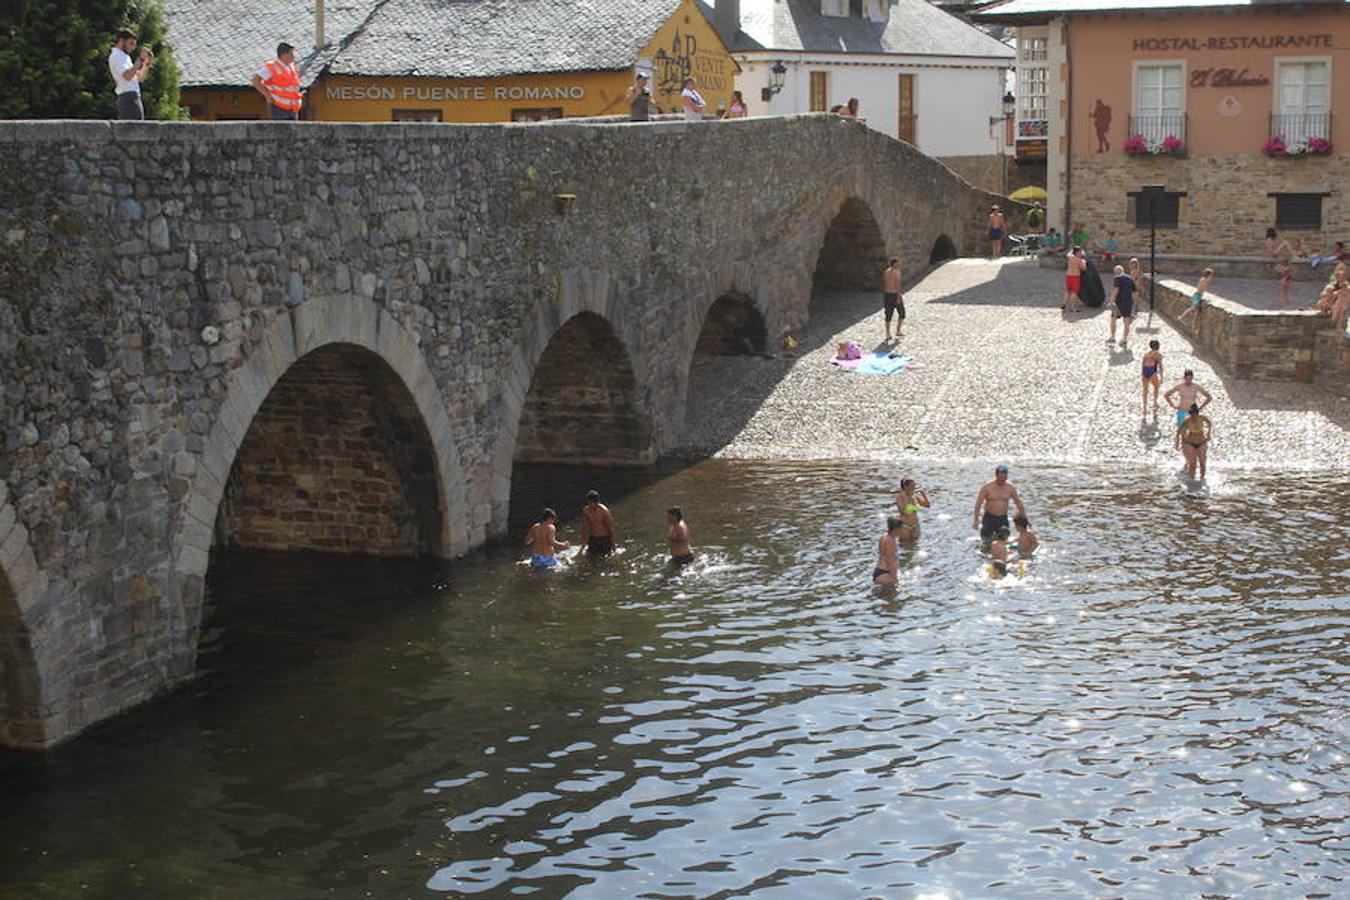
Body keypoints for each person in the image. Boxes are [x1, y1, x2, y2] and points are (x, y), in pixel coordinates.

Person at [108, 28, 154, 121]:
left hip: (133, 97)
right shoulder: (116, 56)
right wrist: (139, 60)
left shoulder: (125, 57)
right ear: (121, 41)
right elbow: (127, 76)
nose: (133, 47)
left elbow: (139, 78)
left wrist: (146, 64)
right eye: (131, 43)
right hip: (128, 98)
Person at [973, 464, 1027, 542]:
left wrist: (1025, 520)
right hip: (989, 518)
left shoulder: (1010, 488)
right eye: (1001, 477)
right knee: (986, 541)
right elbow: (978, 504)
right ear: (996, 475)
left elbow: (1019, 503)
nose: (1002, 479)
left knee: (1004, 541)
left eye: (1004, 477)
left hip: (1002, 518)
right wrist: (976, 519)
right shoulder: (987, 487)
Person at [251, 42, 303, 120]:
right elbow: (255, 80)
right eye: (291, 54)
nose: (293, 57)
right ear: (284, 55)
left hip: (293, 108)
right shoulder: (272, 66)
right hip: (278, 107)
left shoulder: (291, 67)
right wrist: (267, 95)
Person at [1164, 369, 1213, 441]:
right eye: (1187, 379)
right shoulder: (1179, 386)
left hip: (1193, 412)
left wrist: (1201, 407)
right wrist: (1173, 405)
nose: (1188, 381)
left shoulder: (1196, 386)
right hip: (1182, 411)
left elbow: (1209, 397)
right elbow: (1167, 395)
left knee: (1194, 432)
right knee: (1182, 432)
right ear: (1184, 378)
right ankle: (1184, 448)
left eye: (1190, 379)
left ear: (1192, 378)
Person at [1176, 403, 1212, 479]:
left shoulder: (1202, 418)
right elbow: (1179, 431)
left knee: (1202, 463)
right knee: (1192, 464)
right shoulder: (1187, 420)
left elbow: (1209, 423)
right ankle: (1191, 481)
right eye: (1191, 415)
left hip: (1201, 442)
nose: (1192, 417)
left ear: (1197, 414)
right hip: (1190, 443)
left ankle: (1202, 479)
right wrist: (1178, 441)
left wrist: (1208, 433)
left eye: (1194, 415)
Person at [579, 490, 616, 557]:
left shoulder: (604, 511)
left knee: (604, 558)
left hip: (604, 538)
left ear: (596, 502)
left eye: (591, 502)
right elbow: (585, 528)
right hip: (593, 538)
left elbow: (610, 528)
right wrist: (582, 547)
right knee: (591, 558)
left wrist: (613, 545)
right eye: (588, 502)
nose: (589, 504)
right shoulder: (586, 511)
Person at [1108, 263, 1136, 346]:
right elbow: (1134, 292)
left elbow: (1116, 290)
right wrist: (1133, 304)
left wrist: (1111, 301)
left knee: (1113, 319)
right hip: (1128, 302)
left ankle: (1113, 337)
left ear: (1116, 272)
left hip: (1118, 303)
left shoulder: (1117, 278)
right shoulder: (1130, 279)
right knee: (1126, 322)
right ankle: (1124, 339)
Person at [872, 516, 905, 586]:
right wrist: (894, 578)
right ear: (896, 529)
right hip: (885, 573)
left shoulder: (884, 536)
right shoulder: (890, 541)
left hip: (880, 571)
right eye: (901, 528)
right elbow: (890, 560)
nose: (902, 531)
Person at [882, 257, 904, 340]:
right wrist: (898, 297)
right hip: (895, 294)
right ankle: (898, 330)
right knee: (902, 313)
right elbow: (897, 285)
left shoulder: (886, 271)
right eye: (898, 263)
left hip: (887, 295)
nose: (899, 264)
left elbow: (885, 283)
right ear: (894, 264)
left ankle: (887, 333)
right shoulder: (897, 272)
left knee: (888, 314)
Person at [1140, 339, 1164, 416]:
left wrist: (1142, 374)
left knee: (1145, 389)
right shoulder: (1158, 355)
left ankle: (1144, 406)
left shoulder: (1146, 354)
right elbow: (1160, 365)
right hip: (1152, 370)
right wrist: (1161, 376)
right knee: (1156, 386)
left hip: (1145, 371)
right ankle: (1155, 403)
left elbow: (1143, 364)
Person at [1063, 246, 1085, 312]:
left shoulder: (1070, 257)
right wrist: (1084, 262)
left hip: (1068, 275)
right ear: (1077, 252)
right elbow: (1083, 268)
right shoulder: (1079, 260)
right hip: (1075, 276)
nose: (1081, 253)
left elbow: (1069, 253)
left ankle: (1064, 303)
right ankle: (1072, 307)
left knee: (1067, 290)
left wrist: (1072, 251)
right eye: (1080, 252)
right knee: (1074, 292)